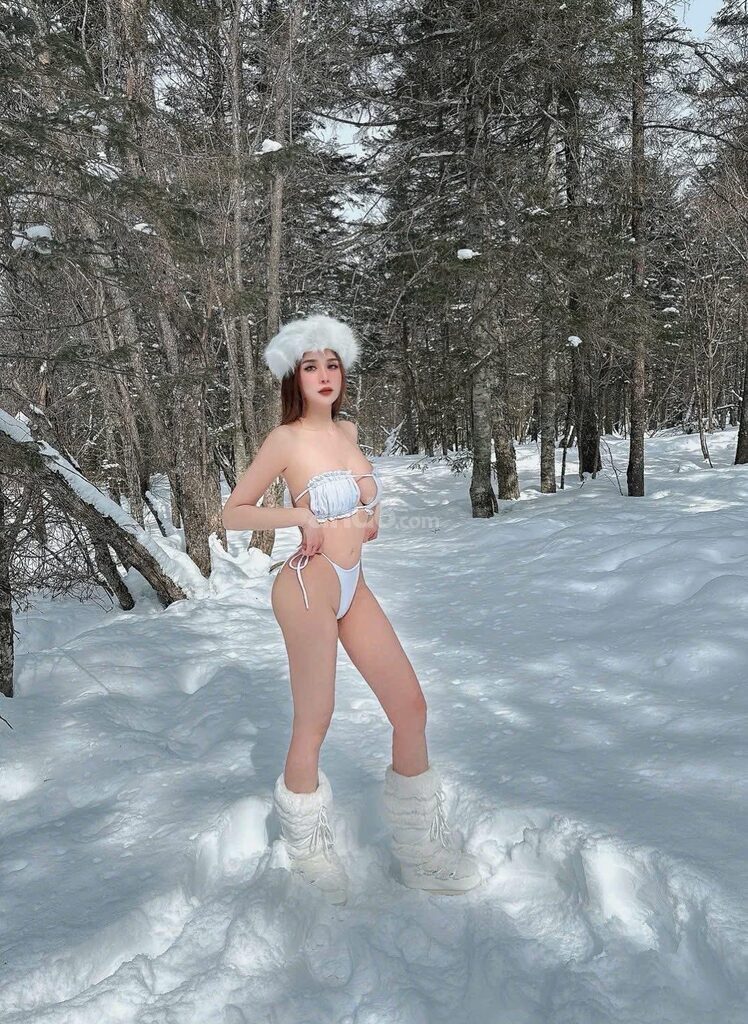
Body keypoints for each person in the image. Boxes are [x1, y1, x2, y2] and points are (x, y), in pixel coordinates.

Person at [222, 313, 482, 904]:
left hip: (352, 583)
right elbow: (232, 512)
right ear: (294, 377)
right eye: (311, 366)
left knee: (410, 707)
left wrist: (370, 513)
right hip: (307, 586)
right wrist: (299, 515)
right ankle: (308, 853)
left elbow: (360, 492)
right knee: (315, 717)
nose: (324, 375)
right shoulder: (285, 440)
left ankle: (421, 854)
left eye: (332, 364)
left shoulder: (349, 429)